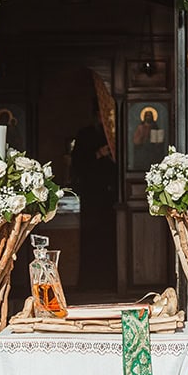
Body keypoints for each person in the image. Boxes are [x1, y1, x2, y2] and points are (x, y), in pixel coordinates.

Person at [71, 100, 117, 291]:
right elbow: (77, 165)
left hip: (111, 197)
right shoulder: (85, 135)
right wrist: (98, 154)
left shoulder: (115, 134)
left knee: (111, 240)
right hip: (92, 196)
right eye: (99, 115)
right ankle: (90, 284)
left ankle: (112, 282)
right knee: (92, 240)